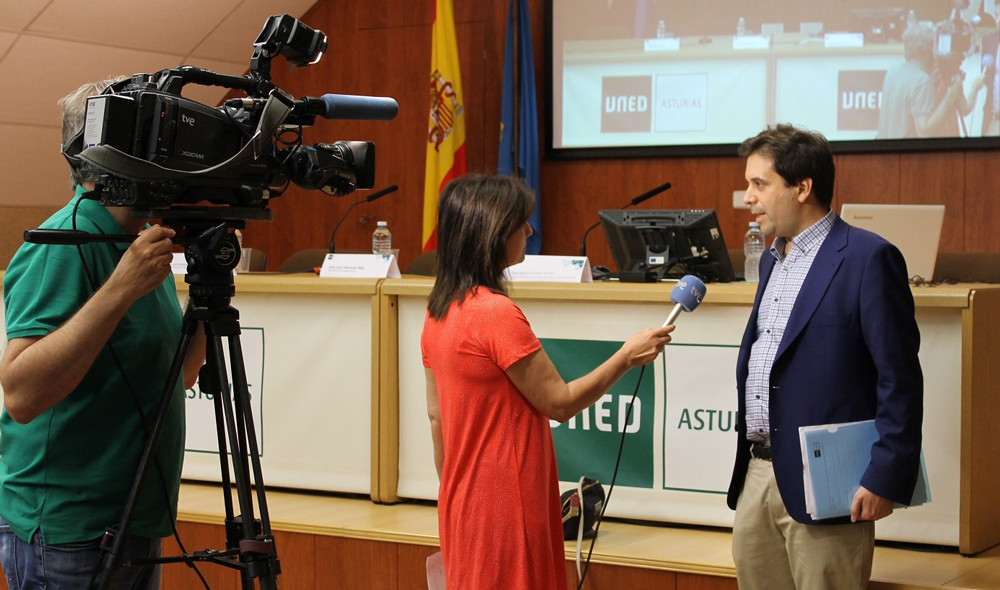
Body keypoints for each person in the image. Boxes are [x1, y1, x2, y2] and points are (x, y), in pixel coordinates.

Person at [0, 78, 206, 590]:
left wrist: (209, 292)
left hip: (130, 519)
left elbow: (177, 374)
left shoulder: (132, 241)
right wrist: (118, 291)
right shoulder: (64, 241)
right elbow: (21, 393)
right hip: (72, 532)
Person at [421, 173, 673, 590]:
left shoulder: (438, 310)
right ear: (492, 232)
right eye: (521, 221)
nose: (529, 230)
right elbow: (560, 402)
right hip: (509, 502)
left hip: (461, 499)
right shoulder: (495, 313)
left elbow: (436, 418)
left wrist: (459, 495)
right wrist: (626, 357)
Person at [728, 125, 923, 590]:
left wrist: (885, 475)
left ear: (802, 187)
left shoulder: (867, 258)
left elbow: (899, 377)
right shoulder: (772, 258)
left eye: (760, 184)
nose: (747, 198)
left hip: (828, 481)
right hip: (757, 474)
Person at [878, 22, 965, 138]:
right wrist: (950, 97)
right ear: (930, 49)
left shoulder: (893, 71)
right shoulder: (921, 81)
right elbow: (924, 132)